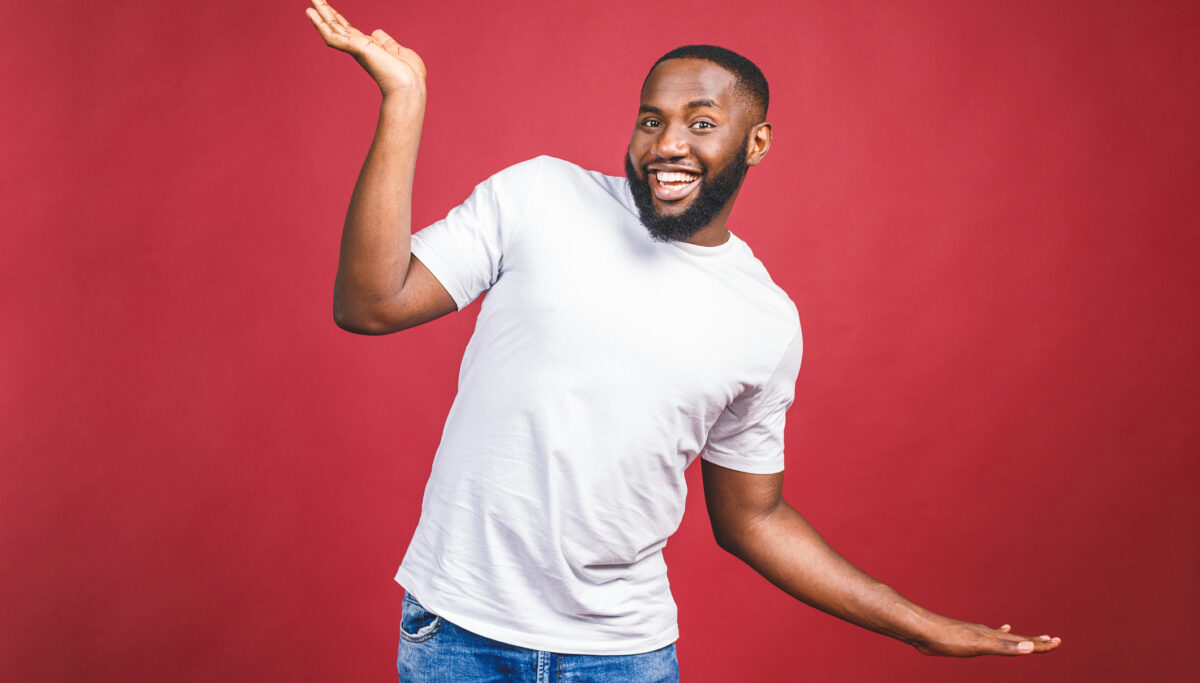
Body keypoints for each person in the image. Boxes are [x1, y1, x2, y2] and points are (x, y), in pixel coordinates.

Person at [304, 1, 1062, 680]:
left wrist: (920, 627)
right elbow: (372, 302)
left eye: (702, 122)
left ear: (755, 140)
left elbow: (753, 519)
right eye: (651, 119)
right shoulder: (539, 195)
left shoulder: (764, 320)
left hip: (623, 656)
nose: (668, 143)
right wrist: (404, 101)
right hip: (457, 634)